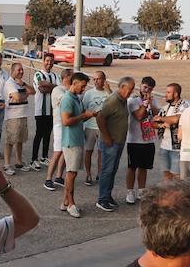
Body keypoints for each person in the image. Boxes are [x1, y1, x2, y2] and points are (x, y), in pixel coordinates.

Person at [60, 72, 97, 218]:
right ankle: (71, 204)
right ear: (74, 83)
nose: (83, 89)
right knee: (71, 173)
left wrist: (89, 114)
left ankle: (65, 202)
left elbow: (80, 115)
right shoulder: (67, 99)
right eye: (82, 86)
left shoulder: (76, 98)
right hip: (71, 142)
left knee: (72, 172)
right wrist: (84, 116)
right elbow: (66, 121)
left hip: (77, 140)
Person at [94, 76, 132, 212]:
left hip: (119, 141)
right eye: (130, 89)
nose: (131, 92)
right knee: (107, 170)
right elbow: (100, 118)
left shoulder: (123, 100)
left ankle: (107, 196)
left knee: (112, 170)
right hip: (110, 142)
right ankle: (102, 199)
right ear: (122, 87)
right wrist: (107, 136)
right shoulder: (113, 101)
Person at [123, 78, 158, 205]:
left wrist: (151, 103)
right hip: (134, 140)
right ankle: (130, 191)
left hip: (148, 139)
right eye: (145, 87)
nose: (146, 90)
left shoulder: (153, 100)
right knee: (132, 167)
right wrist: (144, 104)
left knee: (144, 167)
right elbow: (138, 116)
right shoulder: (132, 100)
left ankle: (141, 190)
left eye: (149, 88)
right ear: (140, 86)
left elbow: (156, 115)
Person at [0, 62, 32, 175]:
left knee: (20, 140)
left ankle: (19, 162)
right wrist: (26, 95)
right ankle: (7, 164)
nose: (21, 72)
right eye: (19, 70)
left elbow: (33, 91)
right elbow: (17, 97)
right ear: (12, 71)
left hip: (23, 114)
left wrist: (24, 84)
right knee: (10, 140)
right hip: (13, 116)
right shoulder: (10, 83)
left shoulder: (21, 83)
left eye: (22, 69)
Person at [154, 82, 189, 181]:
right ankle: (169, 196)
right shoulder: (165, 108)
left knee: (177, 178)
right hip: (164, 147)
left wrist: (161, 118)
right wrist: (161, 124)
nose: (166, 94)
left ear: (176, 94)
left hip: (177, 148)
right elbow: (154, 123)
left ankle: (178, 196)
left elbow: (176, 119)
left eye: (168, 92)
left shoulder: (184, 105)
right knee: (166, 176)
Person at [31, 53, 58, 166]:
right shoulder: (38, 74)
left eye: (51, 61)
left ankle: (44, 157)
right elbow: (41, 88)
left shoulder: (55, 75)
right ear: (43, 61)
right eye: (47, 61)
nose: (49, 63)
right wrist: (53, 87)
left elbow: (59, 89)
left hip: (51, 111)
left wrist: (49, 86)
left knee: (48, 135)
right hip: (40, 111)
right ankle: (33, 159)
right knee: (39, 134)